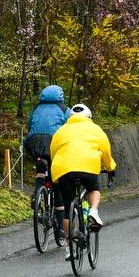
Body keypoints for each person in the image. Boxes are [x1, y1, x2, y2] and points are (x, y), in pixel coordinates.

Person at [48, 103, 116, 261]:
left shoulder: (61, 130)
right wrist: (110, 167)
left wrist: (56, 167)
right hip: (88, 166)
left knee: (67, 209)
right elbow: (105, 150)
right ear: (89, 116)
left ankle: (69, 248)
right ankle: (93, 210)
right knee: (93, 188)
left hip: (64, 169)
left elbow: (53, 150)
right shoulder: (95, 129)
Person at [24, 84, 68, 190]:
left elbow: (29, 124)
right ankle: (58, 202)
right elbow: (69, 127)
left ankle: (37, 192)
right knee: (54, 166)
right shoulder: (64, 109)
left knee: (40, 166)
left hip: (33, 140)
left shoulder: (36, 107)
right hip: (53, 140)